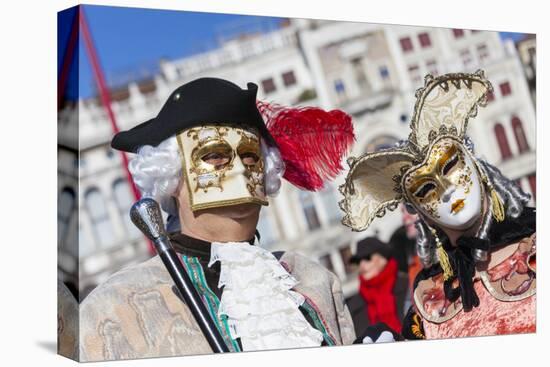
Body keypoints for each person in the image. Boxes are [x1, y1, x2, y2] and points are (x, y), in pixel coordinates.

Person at [79, 77, 357, 361]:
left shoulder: (313, 279)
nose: (240, 172)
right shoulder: (112, 310)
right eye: (215, 156)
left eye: (250, 158)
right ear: (171, 176)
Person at [339, 71, 535, 340]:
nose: (446, 189)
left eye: (451, 165)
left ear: (477, 167)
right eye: (425, 188)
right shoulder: (428, 300)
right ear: (419, 212)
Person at [349, 237, 408, 334]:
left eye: (367, 258)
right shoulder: (354, 306)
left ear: (383, 258)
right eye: (358, 261)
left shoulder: (409, 287)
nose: (362, 264)